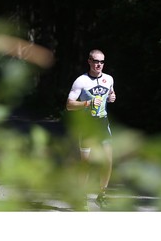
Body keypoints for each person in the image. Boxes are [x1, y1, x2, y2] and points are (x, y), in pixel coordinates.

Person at [66, 49, 116, 209]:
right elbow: (69, 105)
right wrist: (86, 103)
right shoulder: (81, 81)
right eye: (95, 61)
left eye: (101, 62)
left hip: (102, 123)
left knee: (108, 160)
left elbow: (111, 94)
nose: (98, 64)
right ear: (89, 61)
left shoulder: (108, 79)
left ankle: (102, 194)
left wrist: (112, 97)